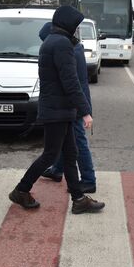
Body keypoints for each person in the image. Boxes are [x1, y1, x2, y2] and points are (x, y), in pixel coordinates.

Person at [9, 6, 104, 214]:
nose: (77, 30)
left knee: (70, 154)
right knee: (50, 155)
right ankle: (21, 190)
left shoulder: (54, 41)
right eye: (76, 26)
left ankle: (78, 199)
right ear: (68, 24)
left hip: (60, 109)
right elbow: (70, 82)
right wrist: (86, 111)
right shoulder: (61, 44)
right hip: (57, 110)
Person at [39, 22, 97, 194]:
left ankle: (88, 180)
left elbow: (72, 83)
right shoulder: (73, 46)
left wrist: (83, 110)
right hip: (75, 101)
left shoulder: (69, 50)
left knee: (78, 142)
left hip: (75, 103)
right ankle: (57, 170)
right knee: (67, 140)